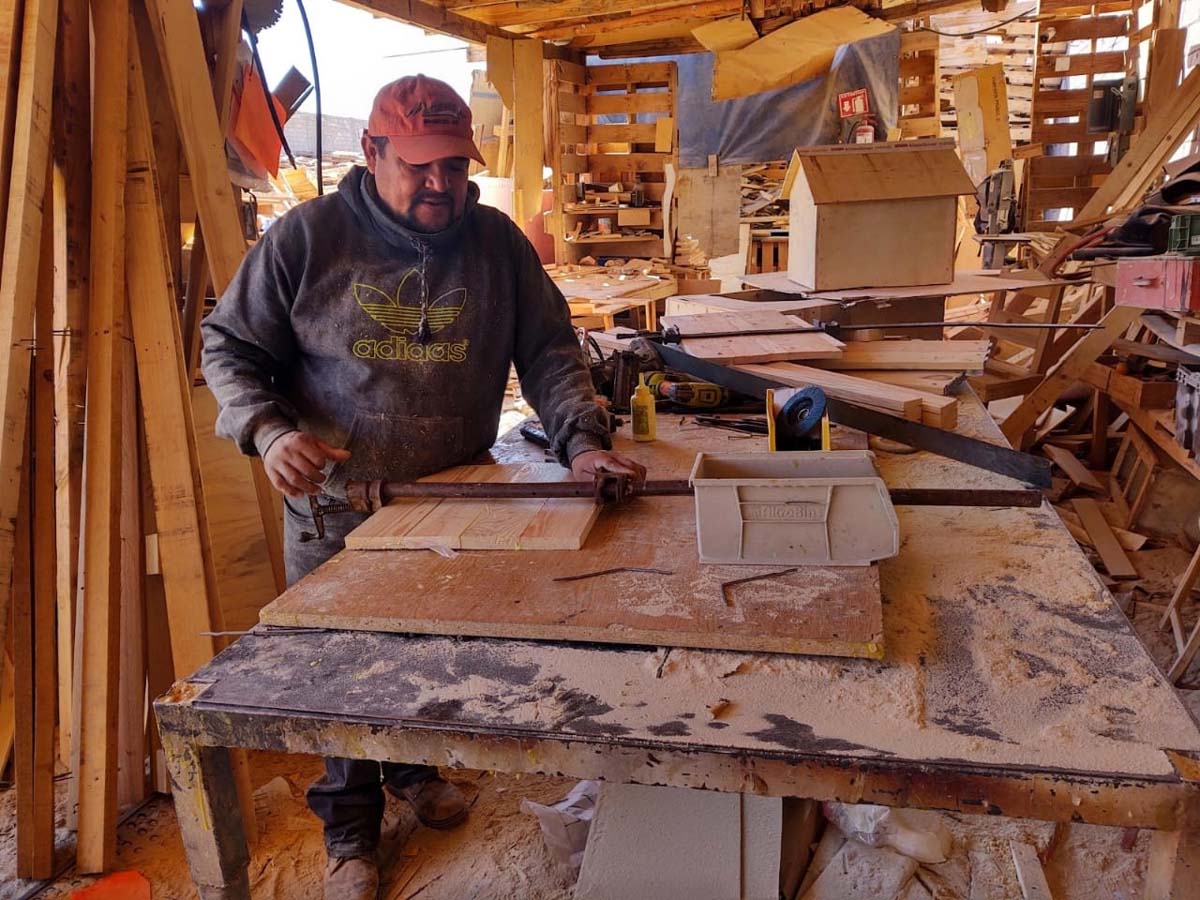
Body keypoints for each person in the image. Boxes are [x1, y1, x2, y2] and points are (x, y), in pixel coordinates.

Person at [201, 74, 645, 899]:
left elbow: (550, 352)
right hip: (338, 499)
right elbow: (228, 346)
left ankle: (412, 769)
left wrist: (583, 445)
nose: (442, 183)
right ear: (374, 153)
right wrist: (269, 431)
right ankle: (350, 830)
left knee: (429, 652)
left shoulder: (496, 242)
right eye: (419, 165)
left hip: (453, 497)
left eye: (455, 165)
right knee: (341, 668)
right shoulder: (308, 239)